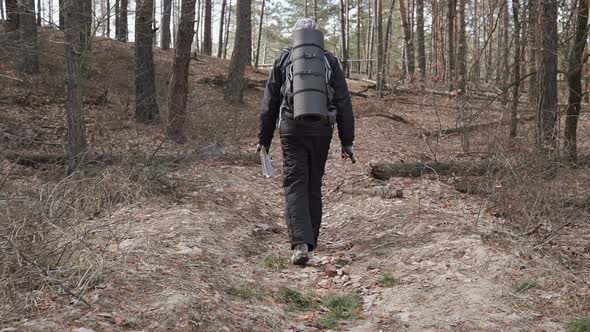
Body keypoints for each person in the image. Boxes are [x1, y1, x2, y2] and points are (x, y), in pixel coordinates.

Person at [257, 18, 355, 266]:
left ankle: (300, 243)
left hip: (291, 128)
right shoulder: (329, 60)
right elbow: (343, 101)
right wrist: (347, 141)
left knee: (295, 182)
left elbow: (270, 102)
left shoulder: (284, 58)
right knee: (313, 183)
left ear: (296, 36)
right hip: (322, 130)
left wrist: (264, 139)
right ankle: (311, 241)